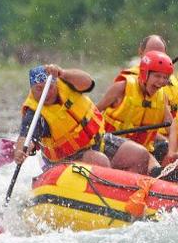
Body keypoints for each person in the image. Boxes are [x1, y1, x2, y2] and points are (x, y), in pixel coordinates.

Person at [14, 65, 150, 175]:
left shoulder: (66, 82)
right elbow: (25, 138)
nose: (46, 92)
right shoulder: (34, 114)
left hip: (98, 141)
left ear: (55, 84)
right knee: (100, 162)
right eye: (39, 89)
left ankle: (131, 193)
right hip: (66, 159)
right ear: (31, 89)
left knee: (140, 154)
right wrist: (20, 152)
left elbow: (88, 83)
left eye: (49, 87)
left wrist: (63, 73)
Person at [97, 51, 173, 160]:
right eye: (157, 76)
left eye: (165, 77)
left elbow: (172, 128)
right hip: (110, 146)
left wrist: (174, 150)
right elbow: (95, 112)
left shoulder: (161, 98)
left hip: (142, 152)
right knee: (139, 155)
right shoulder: (121, 88)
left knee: (157, 159)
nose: (161, 81)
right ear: (144, 74)